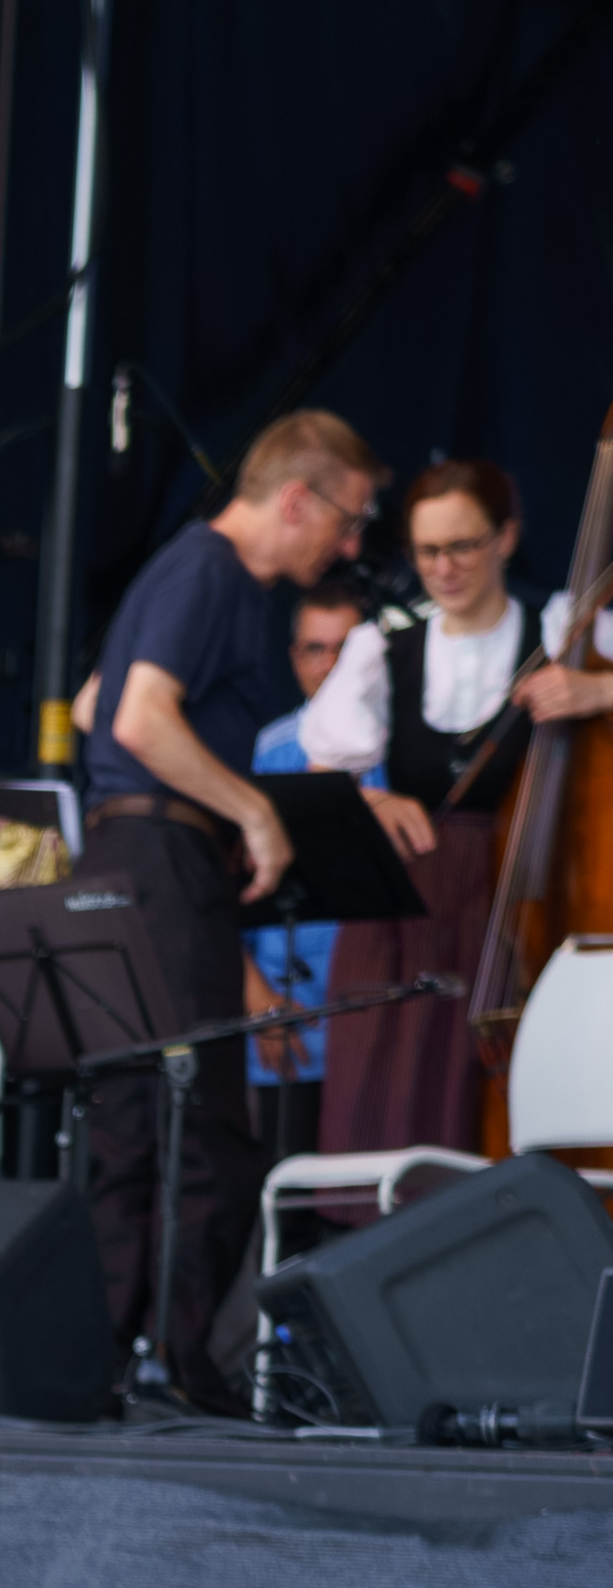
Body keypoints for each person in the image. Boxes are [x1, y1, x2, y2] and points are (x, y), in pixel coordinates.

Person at [80, 406, 382, 1398]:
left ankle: (106, 1361)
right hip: (164, 860)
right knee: (199, 1128)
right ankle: (176, 1370)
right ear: (294, 497)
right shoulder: (212, 570)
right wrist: (251, 812)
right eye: (345, 521)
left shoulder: (182, 573)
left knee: (132, 1124)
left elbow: (92, 705)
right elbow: (135, 714)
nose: (347, 545)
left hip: (122, 852)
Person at [300, 458, 613, 1153]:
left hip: (520, 890)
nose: (444, 568)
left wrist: (597, 692)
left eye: (463, 546)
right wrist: (371, 801)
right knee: (393, 1092)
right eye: (427, 551)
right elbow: (324, 766)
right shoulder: (382, 645)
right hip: (408, 899)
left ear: (506, 537)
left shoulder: (562, 625)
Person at [244, 582, 368, 1161]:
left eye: (345, 648)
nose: (330, 665)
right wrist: (259, 1000)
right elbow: (229, 895)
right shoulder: (267, 751)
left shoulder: (400, 745)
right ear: (293, 658)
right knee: (288, 1202)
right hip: (291, 1018)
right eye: (315, 649)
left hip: (378, 1015)